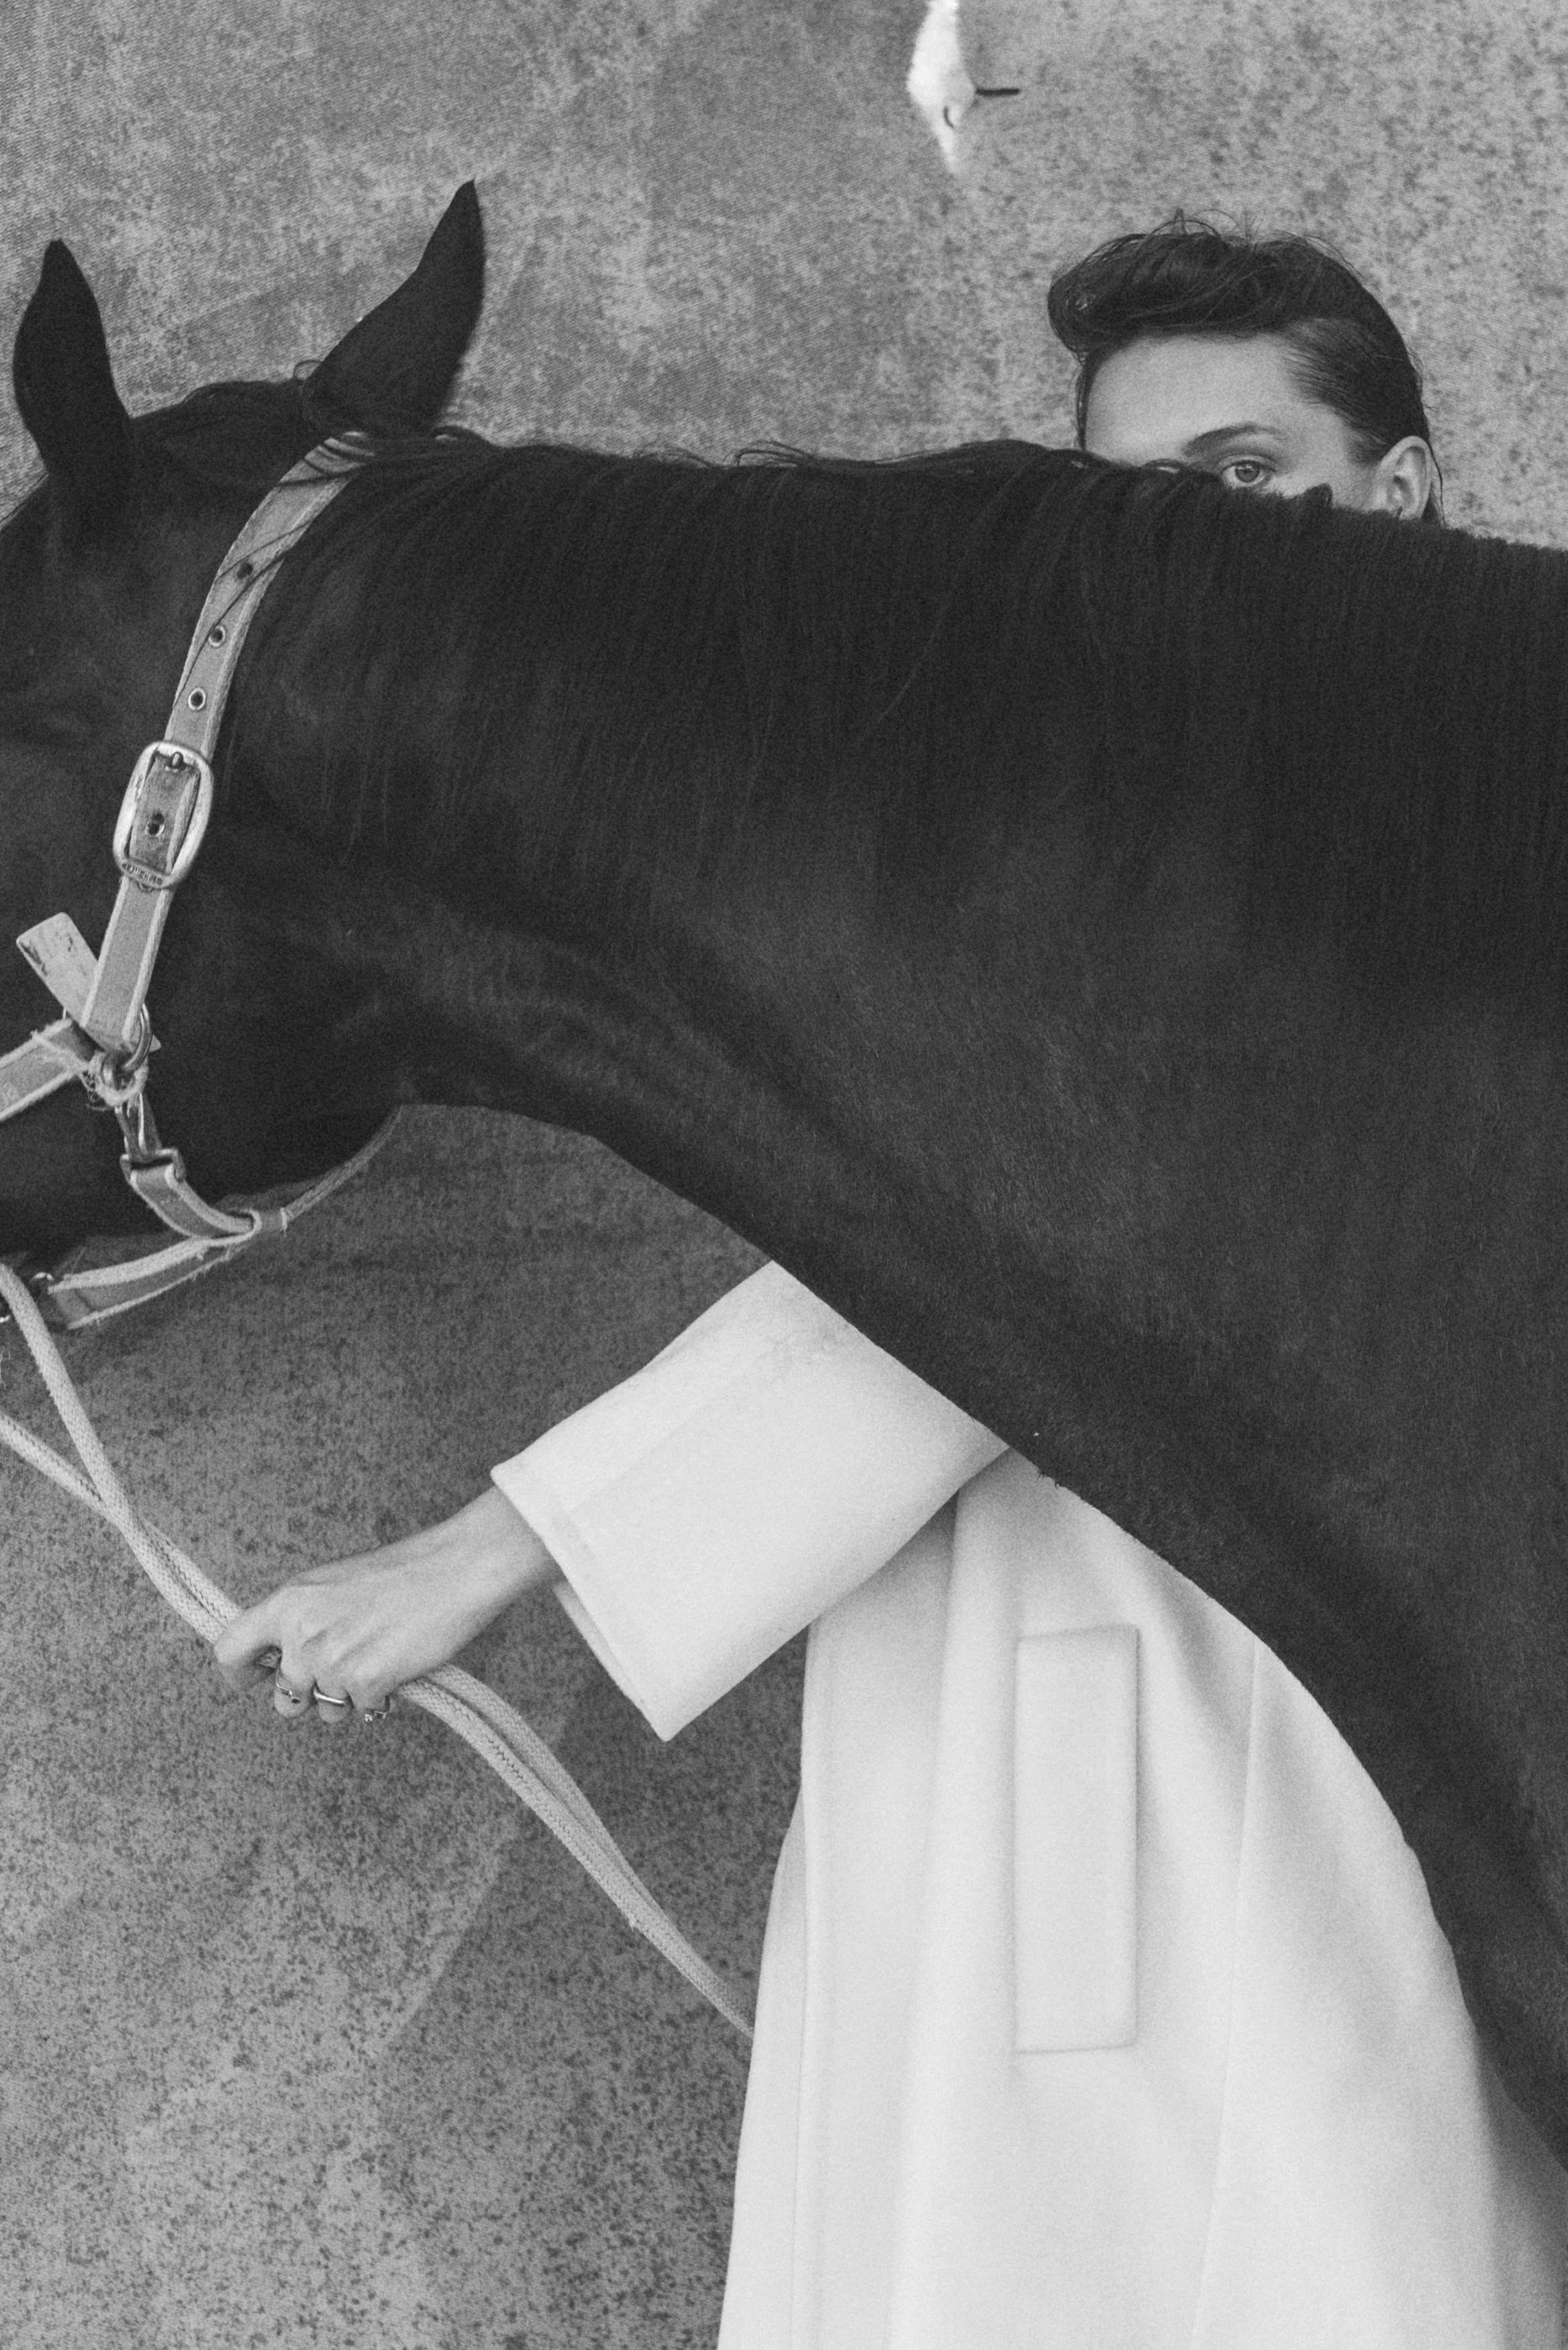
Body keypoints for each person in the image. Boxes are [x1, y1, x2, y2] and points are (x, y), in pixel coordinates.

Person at [215, 220, 1565, 2345]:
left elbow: (1099, 1167)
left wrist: (496, 1548)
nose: (1193, 557)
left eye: (1246, 476)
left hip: (1237, 1722)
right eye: (1138, 508)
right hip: (1005, 1678)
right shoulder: (1076, 837)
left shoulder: (1426, 852)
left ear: (1401, 495)